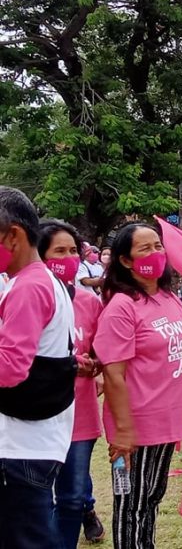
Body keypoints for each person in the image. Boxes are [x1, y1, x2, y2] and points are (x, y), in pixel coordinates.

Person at [93, 223, 182, 548]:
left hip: (169, 420)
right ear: (125, 261)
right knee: (132, 505)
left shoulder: (168, 298)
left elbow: (181, 359)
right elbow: (113, 374)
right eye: (145, 248)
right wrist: (124, 433)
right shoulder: (121, 307)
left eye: (158, 245)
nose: (156, 253)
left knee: (152, 499)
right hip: (137, 425)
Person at [0, 187, 75, 548]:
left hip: (19, 447)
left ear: (13, 234)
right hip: (40, 439)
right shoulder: (48, 281)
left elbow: (11, 368)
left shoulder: (27, 287)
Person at [38, 220, 107, 547]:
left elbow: (101, 353)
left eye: (72, 252)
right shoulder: (23, 297)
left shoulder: (89, 302)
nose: (67, 258)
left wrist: (96, 366)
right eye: (58, 251)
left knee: (72, 498)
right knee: (36, 501)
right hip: (35, 417)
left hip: (80, 417)